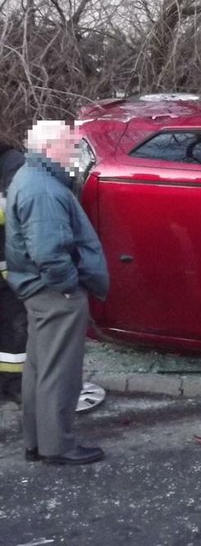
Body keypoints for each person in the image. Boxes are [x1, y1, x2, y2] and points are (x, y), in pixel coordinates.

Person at [5, 120, 109, 465]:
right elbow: (49, 252)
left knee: (39, 370)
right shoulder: (43, 190)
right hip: (54, 293)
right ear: (50, 148)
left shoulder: (32, 177)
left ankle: (38, 443)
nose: (74, 148)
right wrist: (67, 287)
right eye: (69, 142)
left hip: (40, 292)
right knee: (60, 373)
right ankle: (58, 447)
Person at [0, 139, 26, 403]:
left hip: (8, 270)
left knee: (15, 329)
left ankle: (13, 384)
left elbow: (15, 206)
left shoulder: (12, 162)